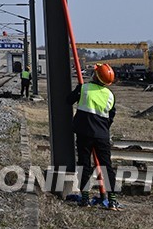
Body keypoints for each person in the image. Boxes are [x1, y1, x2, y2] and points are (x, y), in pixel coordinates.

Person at [66, 63, 119, 210]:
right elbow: (111, 116)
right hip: (102, 135)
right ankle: (112, 200)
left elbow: (68, 100)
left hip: (84, 134)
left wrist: (78, 90)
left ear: (95, 75)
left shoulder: (84, 89)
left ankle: (84, 198)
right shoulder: (110, 95)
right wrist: (102, 129)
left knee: (84, 165)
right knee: (106, 166)